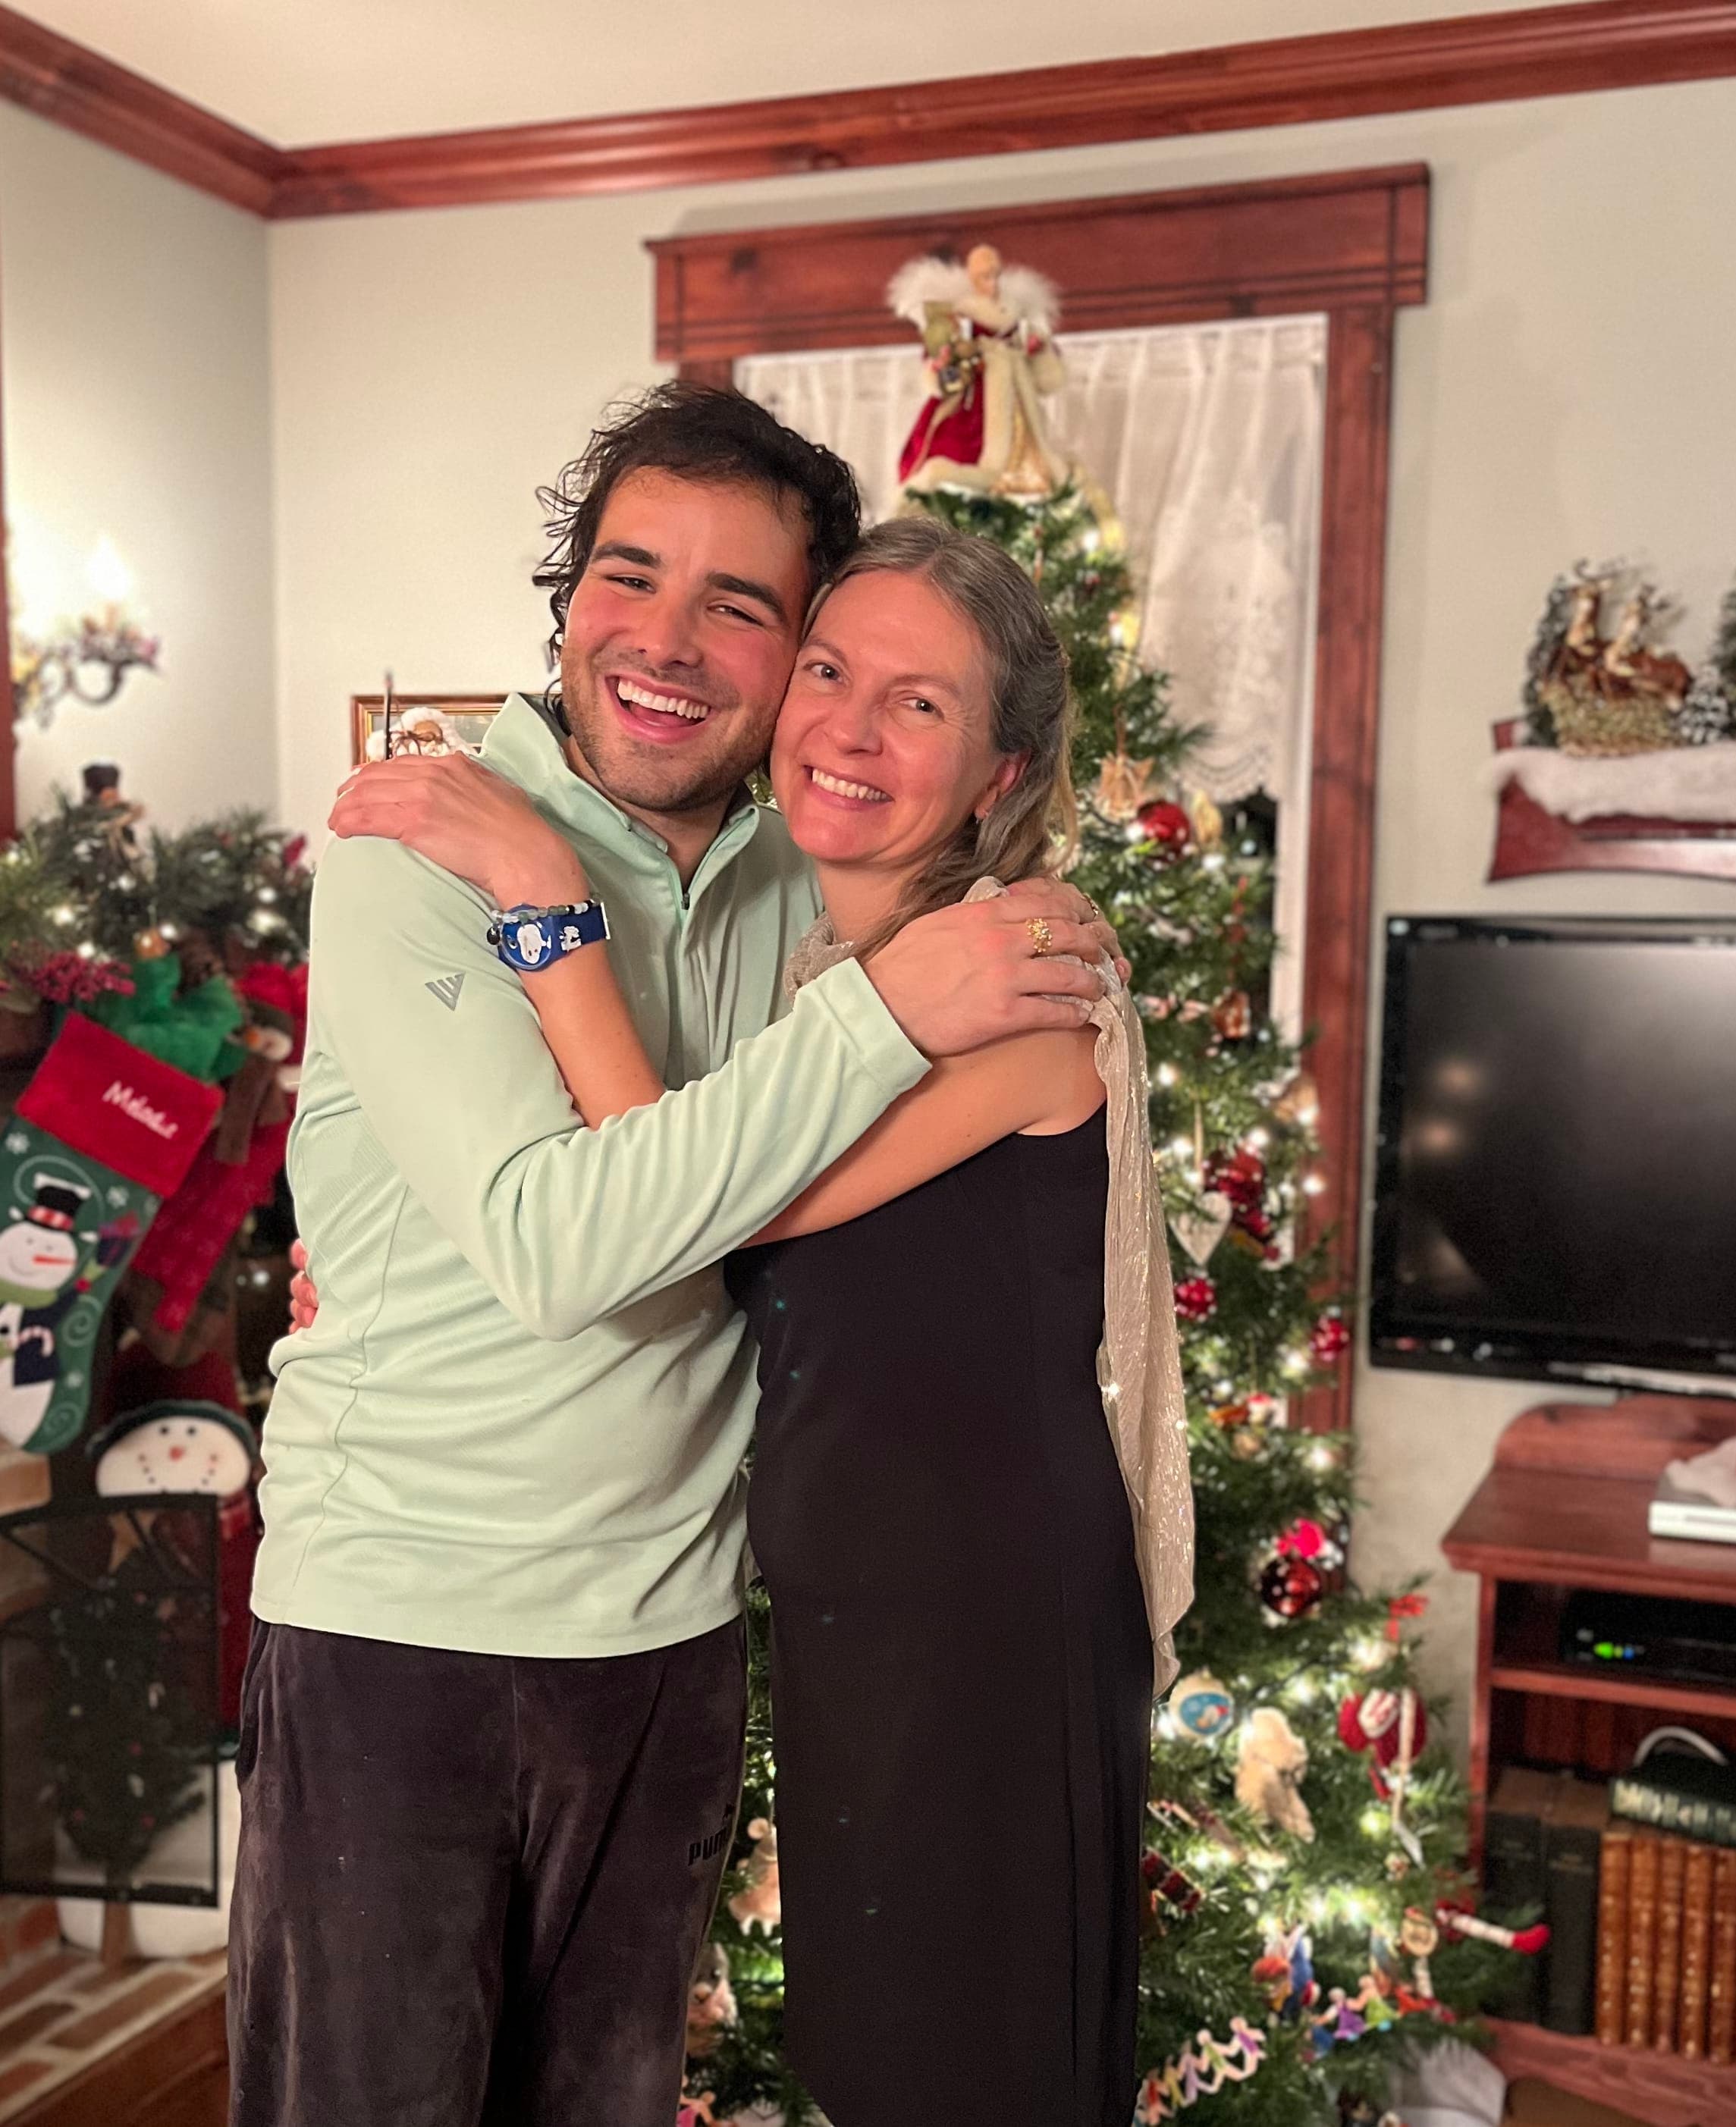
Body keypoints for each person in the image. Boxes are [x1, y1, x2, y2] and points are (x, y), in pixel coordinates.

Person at [231, 384, 1119, 2127]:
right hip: (403, 1620)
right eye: (630, 576)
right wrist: (850, 1003)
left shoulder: (813, 857)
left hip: (671, 1638)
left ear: (793, 654)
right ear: (565, 597)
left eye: (743, 607)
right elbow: (570, 1246)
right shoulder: (426, 845)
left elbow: (752, 1220)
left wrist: (913, 973)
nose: (668, 641)